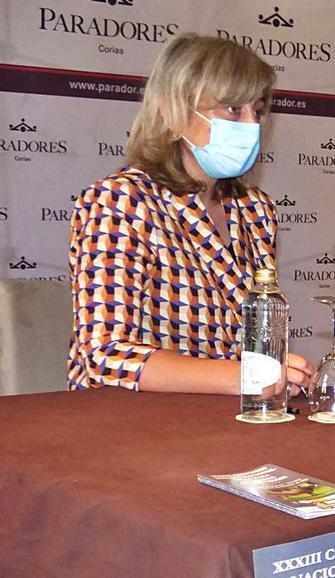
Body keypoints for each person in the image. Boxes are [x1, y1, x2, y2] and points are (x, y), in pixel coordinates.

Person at [68, 34, 313, 392]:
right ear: (173, 111)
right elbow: (107, 354)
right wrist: (245, 377)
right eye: (232, 109)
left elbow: (256, 338)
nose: (250, 125)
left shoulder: (256, 208)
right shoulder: (120, 200)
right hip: (127, 424)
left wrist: (278, 371)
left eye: (257, 111)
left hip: (229, 417)